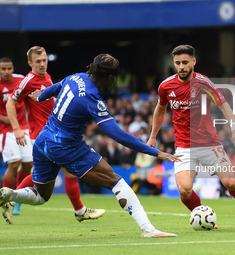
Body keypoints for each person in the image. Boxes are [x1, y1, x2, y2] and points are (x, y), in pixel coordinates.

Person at [0, 53, 181, 237]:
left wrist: (40, 98)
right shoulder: (92, 99)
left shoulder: (75, 76)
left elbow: (52, 89)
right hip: (66, 147)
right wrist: (155, 152)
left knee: (41, 196)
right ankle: (148, 229)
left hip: (43, 141)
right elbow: (118, 135)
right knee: (116, 182)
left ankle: (11, 194)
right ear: (110, 78)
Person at [147, 45, 235, 226]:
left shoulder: (203, 82)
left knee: (230, 182)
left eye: (185, 62)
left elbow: (223, 105)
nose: (181, 66)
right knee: (184, 189)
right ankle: (203, 216)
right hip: (184, 147)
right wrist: (153, 136)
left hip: (210, 144)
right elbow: (160, 110)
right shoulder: (166, 86)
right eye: (177, 63)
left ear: (193, 62)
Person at [4, 46, 104, 223]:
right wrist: (17, 128)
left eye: (44, 61)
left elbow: (49, 101)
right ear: (30, 63)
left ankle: (12, 198)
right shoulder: (28, 80)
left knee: (41, 176)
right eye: (38, 62)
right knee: (70, 173)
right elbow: (10, 103)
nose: (42, 64)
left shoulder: (47, 77)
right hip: (45, 135)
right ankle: (80, 211)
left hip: (53, 132)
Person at [0, 57, 33, 215]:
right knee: (14, 164)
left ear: (13, 68)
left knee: (28, 164)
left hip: (24, 128)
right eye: (3, 69)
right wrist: (2, 117)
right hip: (6, 130)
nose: (7, 72)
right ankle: (5, 200)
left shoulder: (21, 80)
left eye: (9, 68)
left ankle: (17, 200)